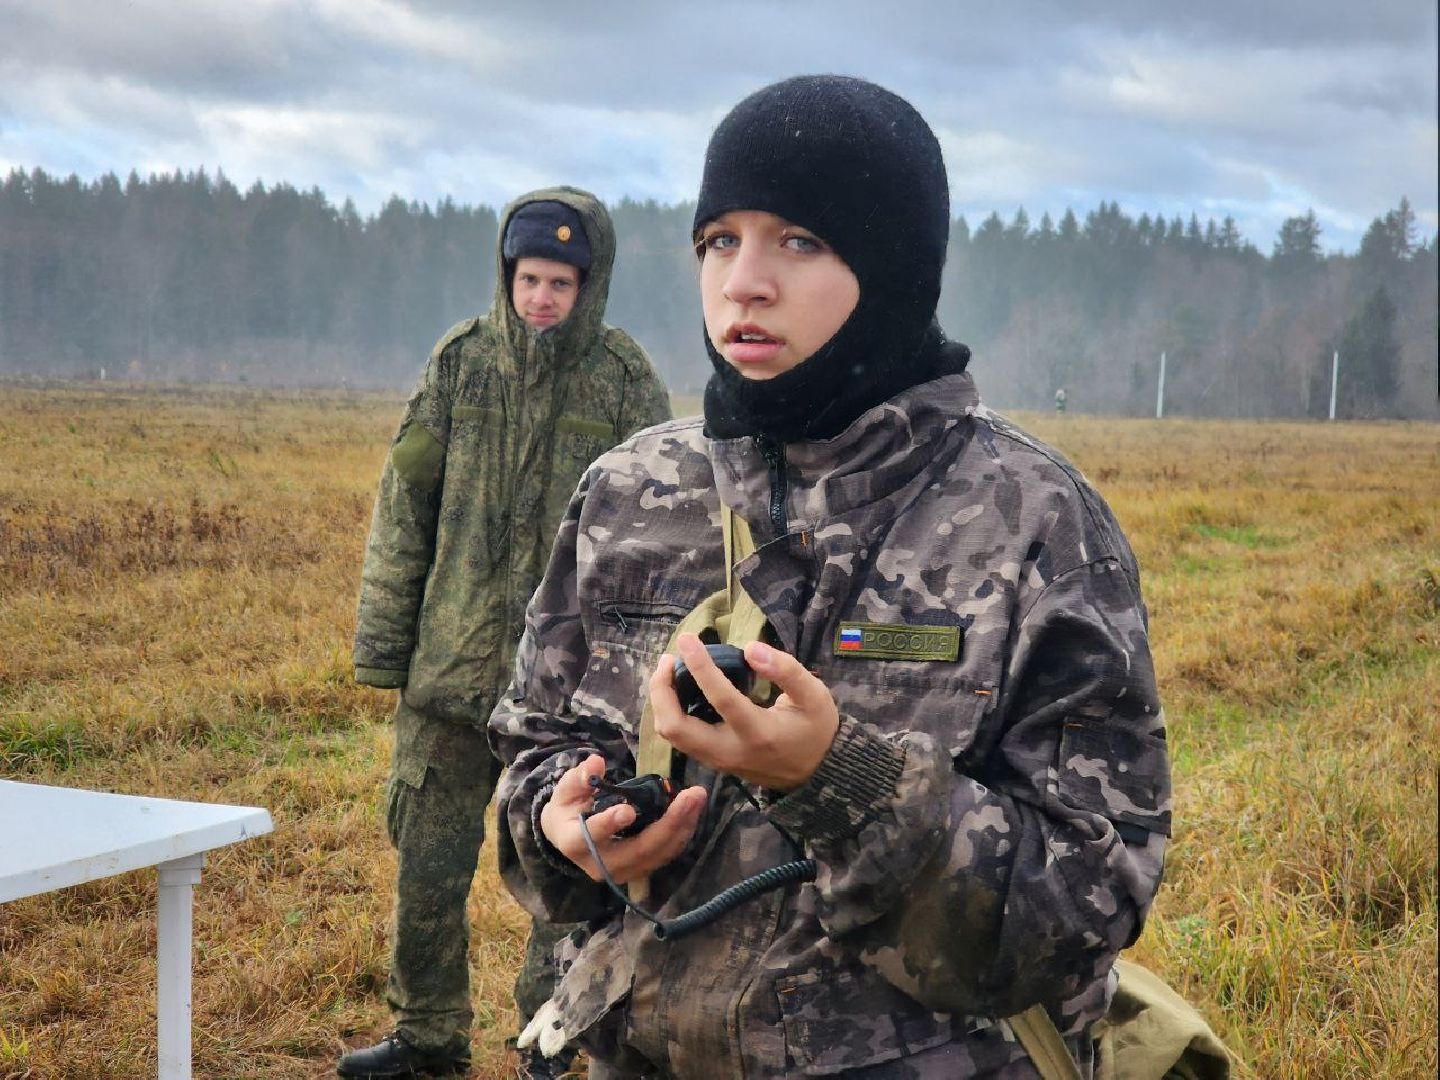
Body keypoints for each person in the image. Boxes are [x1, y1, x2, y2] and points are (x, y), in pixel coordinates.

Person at [491, 76, 1171, 1079]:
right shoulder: (629, 493)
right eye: (719, 239)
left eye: (798, 241)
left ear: (892, 266)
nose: (743, 282)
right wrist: (562, 825)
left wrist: (839, 782)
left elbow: (1086, 903)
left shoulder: (1037, 522)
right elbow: (533, 749)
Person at [343, 187, 671, 1079]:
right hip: (448, 679)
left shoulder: (625, 379)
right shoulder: (460, 365)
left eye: (561, 281)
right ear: (506, 275)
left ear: (587, 284)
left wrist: (638, 673)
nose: (542, 298)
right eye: (529, 278)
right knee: (426, 866)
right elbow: (403, 508)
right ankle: (426, 1036)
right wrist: (385, 646)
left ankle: (549, 1036)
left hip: (567, 695)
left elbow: (658, 534)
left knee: (563, 876)